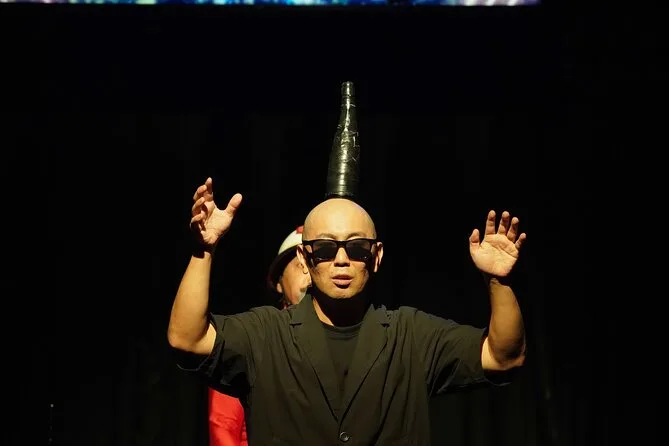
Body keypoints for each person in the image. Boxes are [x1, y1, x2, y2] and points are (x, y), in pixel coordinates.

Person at [168, 82, 527, 444]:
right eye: (325, 249)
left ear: (376, 256)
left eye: (356, 248)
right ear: (305, 257)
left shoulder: (411, 336)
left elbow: (502, 358)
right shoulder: (266, 335)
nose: (341, 259)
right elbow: (187, 339)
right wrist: (203, 252)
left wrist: (498, 282)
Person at [207, 225, 310, 446]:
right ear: (279, 282)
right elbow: (223, 427)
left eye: (314, 264)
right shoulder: (253, 339)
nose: (309, 274)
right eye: (300, 264)